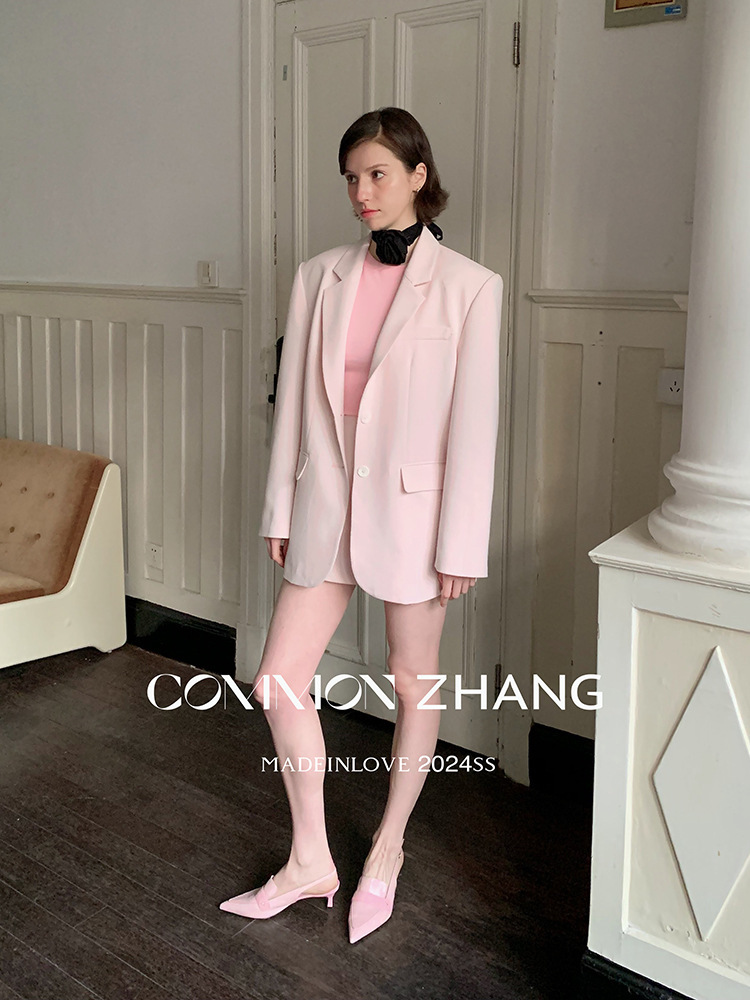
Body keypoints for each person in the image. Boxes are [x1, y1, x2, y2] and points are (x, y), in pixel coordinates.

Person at [219, 107, 504, 943]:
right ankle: (310, 858)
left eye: (377, 174)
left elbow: (473, 427)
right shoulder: (319, 276)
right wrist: (281, 506)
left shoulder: (471, 287)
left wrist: (461, 542)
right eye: (351, 177)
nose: (361, 192)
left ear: (418, 174)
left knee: (415, 682)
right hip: (326, 505)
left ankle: (387, 849)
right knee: (278, 680)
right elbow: (295, 407)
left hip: (416, 517)